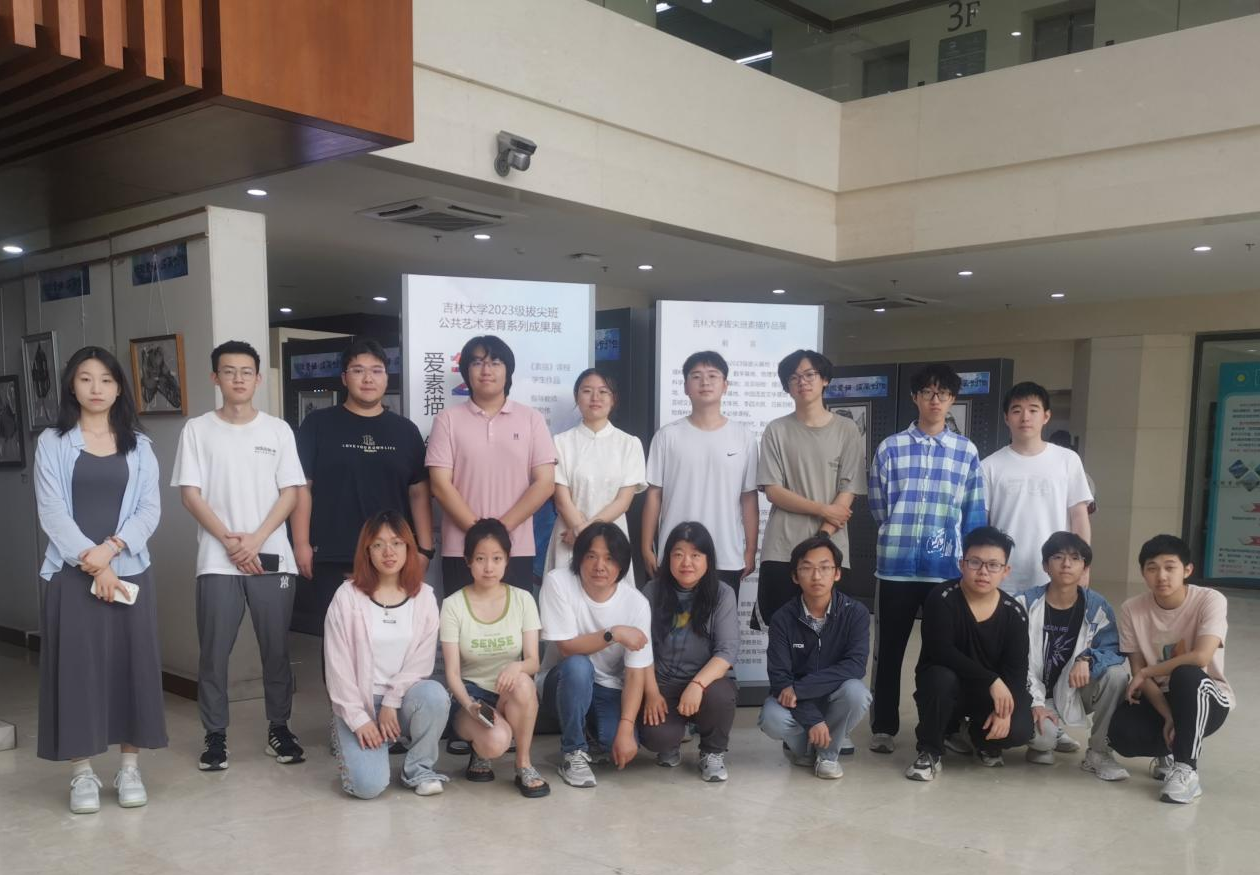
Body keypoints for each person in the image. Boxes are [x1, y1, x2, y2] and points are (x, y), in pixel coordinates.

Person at [34, 346, 166, 814]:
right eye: (86, 378)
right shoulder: (52, 442)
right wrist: (95, 563)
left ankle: (129, 769)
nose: (96, 388)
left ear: (119, 387)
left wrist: (111, 551)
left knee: (133, 667)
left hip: (130, 571)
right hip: (72, 575)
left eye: (106, 380)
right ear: (72, 385)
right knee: (78, 670)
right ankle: (82, 773)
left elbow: (149, 509)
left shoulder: (140, 445)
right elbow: (51, 510)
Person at [172, 340, 307, 772]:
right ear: (216, 378)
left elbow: (291, 493)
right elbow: (190, 495)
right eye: (229, 371)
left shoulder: (277, 430)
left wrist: (256, 541)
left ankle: (279, 728)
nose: (238, 379)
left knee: (276, 649)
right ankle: (215, 736)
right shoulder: (197, 430)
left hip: (272, 557)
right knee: (213, 653)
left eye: (246, 372)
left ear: (258, 378)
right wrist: (232, 543)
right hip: (217, 559)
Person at [868, 363, 986, 754]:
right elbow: (879, 506)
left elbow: (973, 511)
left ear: (952, 400)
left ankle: (941, 727)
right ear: (915, 397)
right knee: (889, 651)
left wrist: (969, 562)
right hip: (895, 568)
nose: (935, 400)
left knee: (941, 653)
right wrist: (899, 533)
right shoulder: (890, 448)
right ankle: (884, 727)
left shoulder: (966, 452)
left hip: (944, 570)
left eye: (943, 394)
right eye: (928, 392)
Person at [292, 337, 433, 634]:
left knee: (391, 634)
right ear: (345, 378)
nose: (368, 378)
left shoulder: (405, 431)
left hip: (391, 554)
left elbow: (419, 492)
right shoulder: (318, 424)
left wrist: (424, 549)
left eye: (376, 370)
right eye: (358, 370)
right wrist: (301, 543)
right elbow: (302, 488)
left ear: (386, 377)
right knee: (337, 637)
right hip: (333, 552)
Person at [324, 511, 450, 799]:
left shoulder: (424, 597)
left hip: (402, 701)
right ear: (367, 551)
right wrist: (359, 719)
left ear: (409, 547)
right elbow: (337, 667)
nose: (388, 552)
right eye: (378, 545)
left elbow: (421, 662)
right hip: (360, 703)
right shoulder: (347, 597)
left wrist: (392, 701)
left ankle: (419, 770)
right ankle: (343, 730)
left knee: (434, 694)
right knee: (368, 787)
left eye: (396, 543)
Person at [1108, 534, 1233, 804]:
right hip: (1161, 697)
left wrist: (1146, 672)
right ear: (1143, 573)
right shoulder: (1132, 609)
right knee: (1121, 735)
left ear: (1187, 570)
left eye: (1170, 567)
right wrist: (1167, 715)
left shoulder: (1210, 599)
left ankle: (1187, 769)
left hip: (1205, 695)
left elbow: (1200, 657)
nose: (1161, 576)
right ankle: (1168, 749)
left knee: (1185, 674)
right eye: (1152, 568)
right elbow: (1139, 672)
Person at [428, 335, 556, 595]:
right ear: (466, 371)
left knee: (514, 619)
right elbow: (440, 485)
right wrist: (479, 534)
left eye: (495, 362)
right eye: (477, 362)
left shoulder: (531, 419)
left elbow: (545, 483)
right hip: (462, 548)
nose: (486, 370)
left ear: (508, 371)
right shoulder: (447, 420)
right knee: (461, 618)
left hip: (515, 547)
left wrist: (499, 532)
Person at [905, 526, 1033, 781]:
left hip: (986, 694)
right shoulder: (942, 598)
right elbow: (941, 651)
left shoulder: (1014, 613)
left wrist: (1005, 711)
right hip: (946, 687)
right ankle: (930, 751)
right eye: (975, 562)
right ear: (962, 564)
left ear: (1006, 571)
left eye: (993, 565)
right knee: (941, 678)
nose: (983, 571)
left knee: (1019, 728)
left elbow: (1017, 671)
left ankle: (980, 737)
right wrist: (992, 680)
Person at [757, 349, 866, 628]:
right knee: (781, 629)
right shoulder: (776, 430)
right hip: (782, 548)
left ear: (824, 379)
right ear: (787, 386)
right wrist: (823, 510)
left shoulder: (847, 430)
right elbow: (773, 490)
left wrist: (823, 536)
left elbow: (848, 489)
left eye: (809, 375)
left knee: (832, 630)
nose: (802, 382)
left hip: (831, 547)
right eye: (794, 378)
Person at [440, 519, 549, 797]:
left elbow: (533, 661)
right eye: (480, 558)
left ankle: (524, 764)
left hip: (508, 691)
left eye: (497, 558)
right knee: (495, 742)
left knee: (524, 682)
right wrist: (469, 705)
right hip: (471, 697)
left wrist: (517, 666)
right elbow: (452, 673)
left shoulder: (523, 599)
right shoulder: (453, 605)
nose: (489, 567)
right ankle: (481, 748)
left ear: (507, 560)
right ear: (468, 561)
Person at [538, 522, 652, 788]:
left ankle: (591, 735)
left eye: (610, 559)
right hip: (562, 681)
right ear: (579, 558)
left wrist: (626, 728)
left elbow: (635, 673)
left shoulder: (636, 603)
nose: (600, 566)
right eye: (591, 556)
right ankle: (573, 752)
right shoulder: (558, 582)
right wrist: (614, 633)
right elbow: (566, 648)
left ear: (622, 565)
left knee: (617, 744)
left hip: (608, 688)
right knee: (579, 666)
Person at [1014, 532, 1129, 780]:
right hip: (1031, 692)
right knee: (1043, 741)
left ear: (1084, 568)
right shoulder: (1025, 603)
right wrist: (1035, 703)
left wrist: (1086, 659)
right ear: (1045, 566)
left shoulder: (1096, 606)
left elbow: (1113, 649)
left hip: (1073, 690)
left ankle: (1099, 752)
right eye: (1058, 557)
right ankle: (1047, 736)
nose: (1066, 564)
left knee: (1117, 676)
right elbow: (1013, 657)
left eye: (1075, 558)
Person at [642, 350, 758, 591]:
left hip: (726, 555)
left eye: (713, 375)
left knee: (722, 616)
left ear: (725, 385)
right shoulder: (667, 436)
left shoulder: (744, 437)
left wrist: (750, 549)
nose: (705, 382)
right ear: (686, 387)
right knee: (671, 616)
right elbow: (654, 495)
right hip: (676, 555)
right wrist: (646, 547)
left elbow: (748, 497)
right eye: (696, 376)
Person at [758, 535, 871, 780]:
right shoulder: (782, 618)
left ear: (837, 573)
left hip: (830, 697)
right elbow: (780, 679)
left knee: (857, 693)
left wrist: (800, 689)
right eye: (807, 568)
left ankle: (827, 755)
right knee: (771, 717)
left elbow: (855, 666)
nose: (817, 576)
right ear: (795, 576)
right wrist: (813, 720)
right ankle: (809, 747)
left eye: (825, 567)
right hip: (795, 702)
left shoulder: (856, 613)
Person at [639, 522, 740, 782]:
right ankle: (671, 741)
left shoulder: (722, 594)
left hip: (706, 682)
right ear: (668, 558)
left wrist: (697, 684)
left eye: (696, 555)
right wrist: (651, 693)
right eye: (678, 554)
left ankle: (712, 752)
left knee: (720, 695)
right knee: (657, 738)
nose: (686, 562)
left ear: (708, 560)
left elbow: (727, 650)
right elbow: (641, 648)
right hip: (663, 682)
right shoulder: (651, 591)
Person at [982, 382, 1092, 592]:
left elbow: (1079, 517)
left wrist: (1083, 566)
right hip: (1003, 576)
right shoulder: (989, 466)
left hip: (1058, 574)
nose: (1025, 417)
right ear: (1006, 418)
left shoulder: (1067, 460)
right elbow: (983, 524)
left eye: (1033, 410)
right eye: (1017, 411)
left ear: (1046, 416)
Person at [545, 368, 646, 583]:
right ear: (576, 397)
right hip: (568, 537)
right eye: (587, 391)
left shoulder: (629, 444)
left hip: (610, 539)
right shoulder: (560, 442)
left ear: (613, 398)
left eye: (603, 391)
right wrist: (582, 533)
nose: (595, 397)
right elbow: (562, 501)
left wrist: (583, 533)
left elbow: (623, 502)